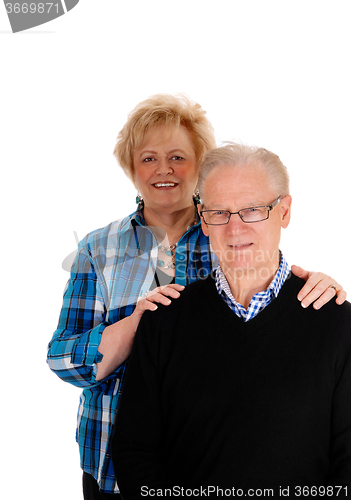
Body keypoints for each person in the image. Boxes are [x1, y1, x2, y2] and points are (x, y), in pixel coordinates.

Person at [47, 95, 346, 499]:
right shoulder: (99, 249)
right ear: (130, 167)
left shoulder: (224, 232)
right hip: (113, 459)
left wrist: (321, 289)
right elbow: (64, 361)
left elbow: (268, 299)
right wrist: (140, 323)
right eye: (148, 158)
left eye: (177, 157)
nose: (163, 169)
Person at [112, 143, 351, 498]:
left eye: (252, 210)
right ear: (203, 219)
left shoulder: (337, 323)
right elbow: (135, 451)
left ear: (284, 212)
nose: (235, 229)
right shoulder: (164, 321)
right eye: (219, 212)